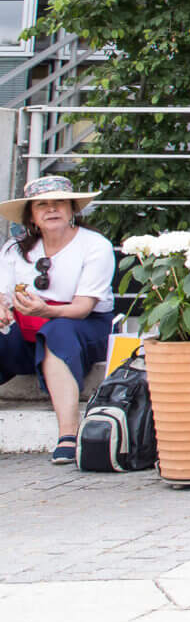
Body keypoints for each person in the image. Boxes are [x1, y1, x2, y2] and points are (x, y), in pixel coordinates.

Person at [0, 175, 117, 464]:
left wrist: (46, 311)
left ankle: (68, 433)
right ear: (31, 216)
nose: (51, 209)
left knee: (58, 331)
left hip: (84, 326)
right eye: (42, 205)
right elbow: (3, 293)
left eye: (59, 203)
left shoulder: (95, 245)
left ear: (72, 210)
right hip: (27, 326)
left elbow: (82, 307)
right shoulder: (14, 248)